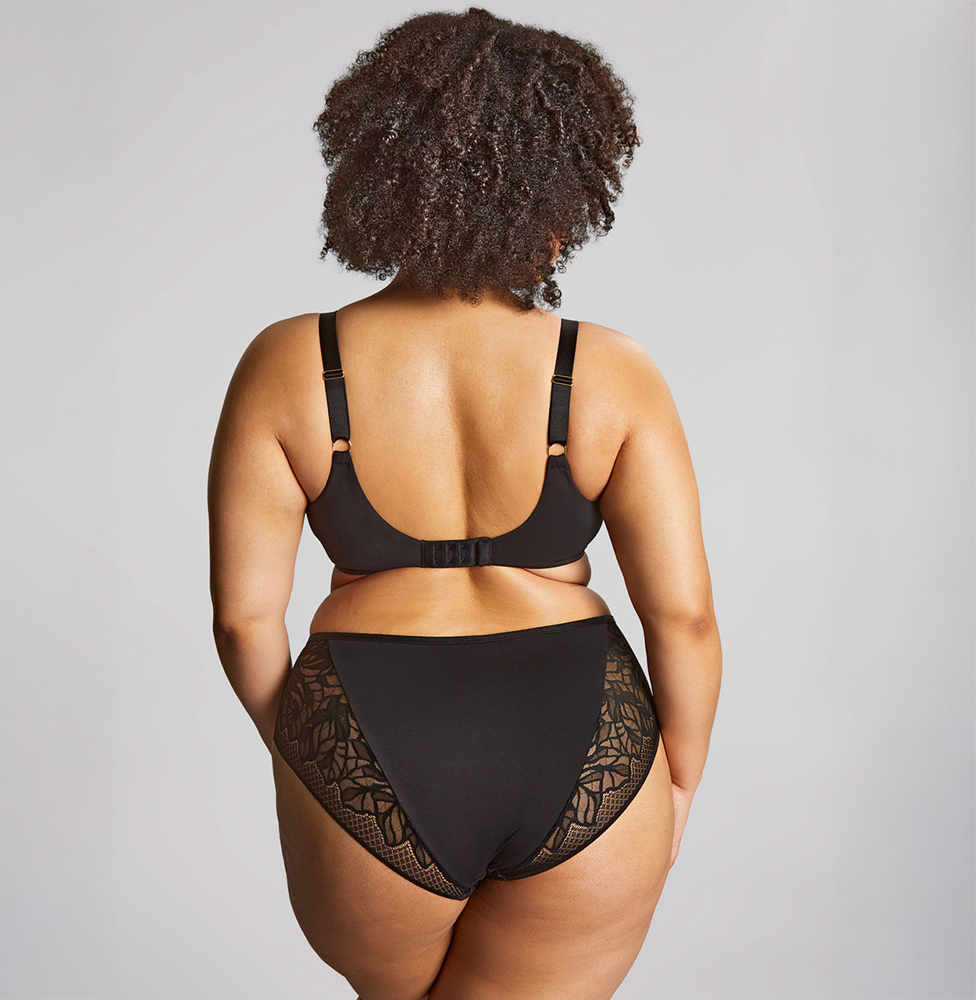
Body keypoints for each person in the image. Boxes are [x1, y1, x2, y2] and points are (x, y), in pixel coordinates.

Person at [208, 8, 722, 998]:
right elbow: (685, 618)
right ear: (561, 185)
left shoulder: (289, 362)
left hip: (365, 722)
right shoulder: (609, 370)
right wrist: (681, 783)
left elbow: (242, 620)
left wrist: (317, 758)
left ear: (381, 170)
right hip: (583, 733)